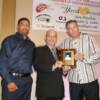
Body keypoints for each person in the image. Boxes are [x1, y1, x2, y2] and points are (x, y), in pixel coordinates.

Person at [60, 20, 100, 100]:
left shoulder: (89, 38)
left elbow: (98, 56)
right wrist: (64, 70)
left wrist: (83, 58)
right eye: (69, 28)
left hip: (90, 81)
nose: (72, 30)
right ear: (67, 31)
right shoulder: (64, 42)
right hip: (74, 83)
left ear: (78, 27)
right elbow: (62, 60)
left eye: (74, 27)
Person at [0, 17, 35, 100]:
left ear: (29, 28)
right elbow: (2, 62)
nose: (25, 27)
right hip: (12, 79)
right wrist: (9, 81)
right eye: (22, 25)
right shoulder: (9, 41)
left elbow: (35, 60)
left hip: (27, 81)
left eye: (27, 25)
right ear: (17, 27)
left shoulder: (31, 44)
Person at [34, 29, 70, 100]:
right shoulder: (38, 50)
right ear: (45, 38)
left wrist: (65, 70)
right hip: (44, 91)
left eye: (54, 36)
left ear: (56, 39)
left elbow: (62, 71)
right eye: (49, 36)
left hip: (58, 91)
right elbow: (36, 66)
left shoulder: (61, 52)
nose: (52, 38)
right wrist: (53, 66)